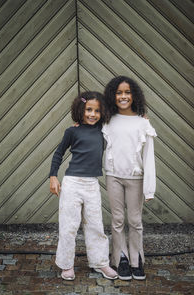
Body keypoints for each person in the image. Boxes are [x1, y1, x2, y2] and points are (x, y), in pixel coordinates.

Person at [49, 91, 118, 281]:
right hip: (72, 183)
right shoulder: (72, 131)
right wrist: (53, 176)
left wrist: (140, 117)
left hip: (92, 185)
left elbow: (119, 118)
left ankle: (100, 262)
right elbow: (58, 153)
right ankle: (66, 265)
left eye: (97, 111)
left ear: (102, 112)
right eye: (88, 110)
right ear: (81, 109)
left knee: (95, 225)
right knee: (69, 226)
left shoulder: (103, 130)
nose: (92, 114)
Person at [102, 76, 157, 281]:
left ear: (134, 95)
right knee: (117, 220)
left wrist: (149, 188)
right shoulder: (107, 120)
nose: (123, 96)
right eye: (118, 93)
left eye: (127, 92)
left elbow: (148, 156)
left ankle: (136, 259)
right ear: (112, 96)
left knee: (135, 221)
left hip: (136, 178)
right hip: (113, 176)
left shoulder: (142, 123)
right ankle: (120, 258)